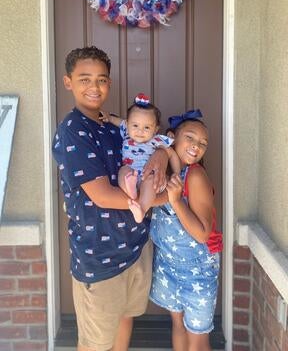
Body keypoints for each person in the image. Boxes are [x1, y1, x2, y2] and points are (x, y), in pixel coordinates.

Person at [52, 46, 169, 351]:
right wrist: (164, 198)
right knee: (95, 343)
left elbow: (146, 145)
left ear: (110, 83)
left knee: (125, 320)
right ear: (68, 82)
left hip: (134, 248)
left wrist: (159, 154)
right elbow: (103, 196)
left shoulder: (112, 127)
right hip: (99, 258)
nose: (94, 87)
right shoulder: (72, 131)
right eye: (84, 79)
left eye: (101, 80)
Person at [149, 110, 223, 351]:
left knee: (198, 337)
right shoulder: (168, 172)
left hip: (196, 272)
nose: (196, 146)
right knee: (178, 326)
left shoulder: (196, 175)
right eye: (190, 138)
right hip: (168, 265)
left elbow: (202, 233)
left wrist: (176, 200)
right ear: (173, 137)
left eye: (203, 143)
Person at [100, 93, 180, 223]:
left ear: (155, 129)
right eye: (135, 125)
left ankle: (141, 209)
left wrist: (176, 174)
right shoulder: (126, 133)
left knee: (150, 181)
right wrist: (108, 117)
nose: (140, 131)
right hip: (131, 171)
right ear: (128, 125)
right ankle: (131, 191)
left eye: (147, 127)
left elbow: (172, 154)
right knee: (123, 171)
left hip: (149, 176)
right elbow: (119, 121)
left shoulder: (157, 140)